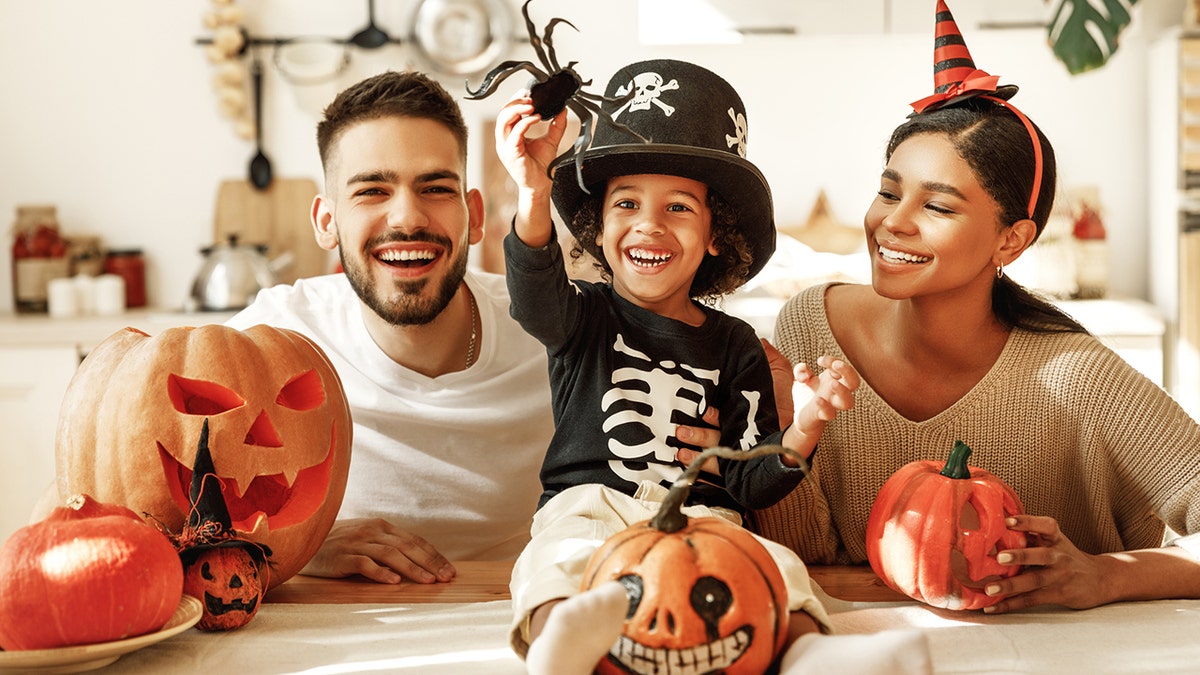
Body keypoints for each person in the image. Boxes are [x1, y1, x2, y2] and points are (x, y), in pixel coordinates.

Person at [751, 0, 1200, 615]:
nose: (892, 223)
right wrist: (775, 436)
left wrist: (1106, 575)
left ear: (1010, 240)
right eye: (889, 191)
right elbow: (812, 557)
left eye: (937, 207)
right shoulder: (811, 322)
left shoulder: (1076, 377)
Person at [494, 58, 889, 674]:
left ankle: (812, 652)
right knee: (555, 559)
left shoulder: (737, 345)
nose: (648, 224)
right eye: (626, 203)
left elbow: (752, 479)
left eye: (678, 207)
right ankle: (561, 641)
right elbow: (532, 292)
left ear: (714, 236)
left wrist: (807, 424)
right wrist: (533, 190)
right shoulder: (580, 318)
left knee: (778, 567)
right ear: (598, 229)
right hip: (588, 500)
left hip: (704, 515)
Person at [224, 70, 559, 585]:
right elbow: (145, 497)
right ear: (326, 221)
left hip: (514, 623)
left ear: (472, 214)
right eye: (373, 191)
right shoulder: (273, 338)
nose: (407, 217)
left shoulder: (554, 328)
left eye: (434, 188)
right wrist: (294, 543)